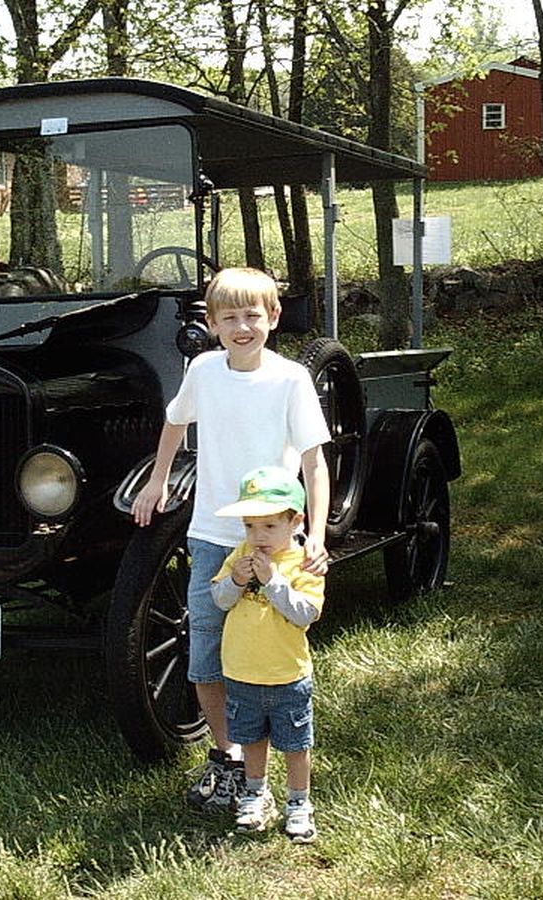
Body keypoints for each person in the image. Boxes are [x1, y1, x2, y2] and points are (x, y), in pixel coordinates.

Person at [130, 267, 330, 813]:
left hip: (273, 540)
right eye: (230, 317)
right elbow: (175, 423)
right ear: (213, 324)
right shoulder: (203, 370)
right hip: (212, 536)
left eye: (252, 316)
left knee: (269, 646)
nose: (242, 327)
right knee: (205, 656)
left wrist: (314, 533)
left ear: (274, 318)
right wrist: (156, 481)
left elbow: (314, 461)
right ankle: (229, 757)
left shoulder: (290, 379)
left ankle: (280, 766)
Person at [211, 466, 324, 842]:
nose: (258, 537)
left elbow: (305, 613)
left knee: (295, 745)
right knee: (251, 739)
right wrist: (236, 580)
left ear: (295, 522)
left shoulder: (304, 563)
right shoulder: (239, 556)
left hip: (287, 675)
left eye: (269, 526)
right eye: (249, 526)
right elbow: (220, 599)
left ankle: (299, 802)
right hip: (241, 672)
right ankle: (255, 794)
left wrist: (272, 581)